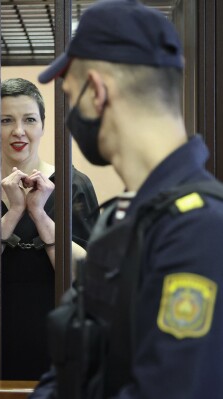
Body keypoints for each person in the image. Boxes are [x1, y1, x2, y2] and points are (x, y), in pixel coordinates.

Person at [31, 0, 223, 397]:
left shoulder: (199, 228)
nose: (71, 114)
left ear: (97, 91)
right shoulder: (121, 218)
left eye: (70, 95)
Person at [0, 78, 98, 380]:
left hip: (62, 344)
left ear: (42, 125)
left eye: (29, 119)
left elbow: (90, 278)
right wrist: (13, 213)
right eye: (5, 120)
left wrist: (39, 215)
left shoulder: (74, 187)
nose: (18, 131)